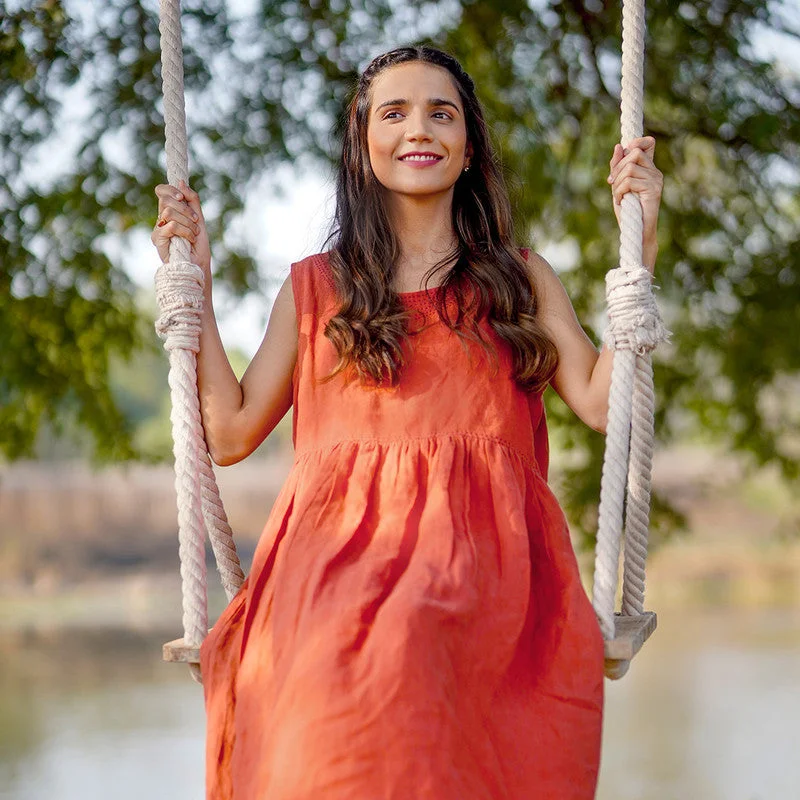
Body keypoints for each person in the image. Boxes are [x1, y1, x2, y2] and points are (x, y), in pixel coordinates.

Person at [152, 45, 662, 800]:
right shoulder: (316, 289)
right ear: (363, 145)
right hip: (333, 574)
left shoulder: (520, 279)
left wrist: (640, 250)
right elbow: (227, 433)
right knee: (335, 737)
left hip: (481, 577)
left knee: (425, 669)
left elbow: (597, 399)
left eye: (441, 113)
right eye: (393, 112)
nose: (417, 128)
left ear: (467, 149)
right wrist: (195, 289)